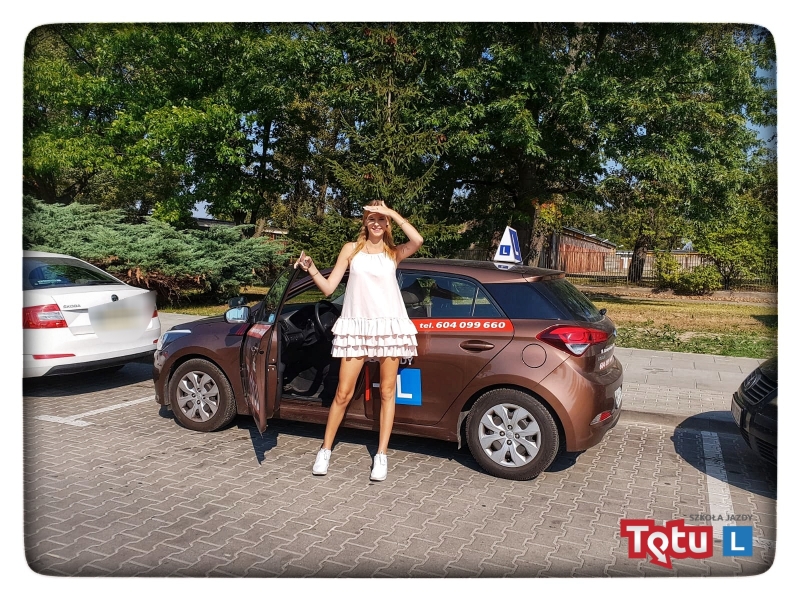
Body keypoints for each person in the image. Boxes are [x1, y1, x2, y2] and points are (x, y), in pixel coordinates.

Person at [293, 200, 423, 481]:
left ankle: (382, 455)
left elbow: (418, 240)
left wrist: (391, 212)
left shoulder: (393, 252)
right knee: (343, 393)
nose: (377, 223)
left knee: (387, 392)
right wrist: (311, 268)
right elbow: (329, 288)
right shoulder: (351, 249)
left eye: (381, 219)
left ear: (387, 223)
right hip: (356, 327)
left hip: (388, 327)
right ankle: (325, 450)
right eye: (371, 218)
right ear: (365, 222)